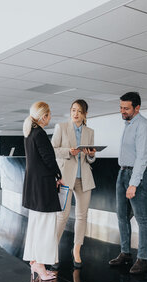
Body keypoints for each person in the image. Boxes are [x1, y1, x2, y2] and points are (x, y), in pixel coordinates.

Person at [108, 92, 147, 274]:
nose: (122, 111)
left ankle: (142, 259)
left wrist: (133, 184)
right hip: (122, 173)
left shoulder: (144, 126)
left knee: (142, 218)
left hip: (138, 175)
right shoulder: (128, 124)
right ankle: (125, 253)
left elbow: (142, 158)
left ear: (137, 108)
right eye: (121, 107)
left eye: (126, 108)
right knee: (121, 216)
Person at [51, 99, 96, 268]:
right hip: (65, 177)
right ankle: (52, 250)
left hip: (84, 178)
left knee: (82, 216)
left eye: (79, 111)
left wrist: (91, 154)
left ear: (85, 114)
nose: (75, 114)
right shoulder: (61, 127)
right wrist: (69, 151)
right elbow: (53, 150)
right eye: (73, 110)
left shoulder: (89, 132)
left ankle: (76, 249)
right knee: (62, 216)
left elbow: (91, 159)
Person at [22, 101, 64, 281]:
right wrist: (58, 175)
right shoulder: (40, 133)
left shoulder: (29, 133)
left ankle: (35, 262)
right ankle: (40, 265)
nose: (50, 118)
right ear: (44, 116)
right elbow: (48, 158)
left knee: (36, 225)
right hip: (43, 186)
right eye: (49, 115)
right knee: (46, 226)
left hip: (33, 187)